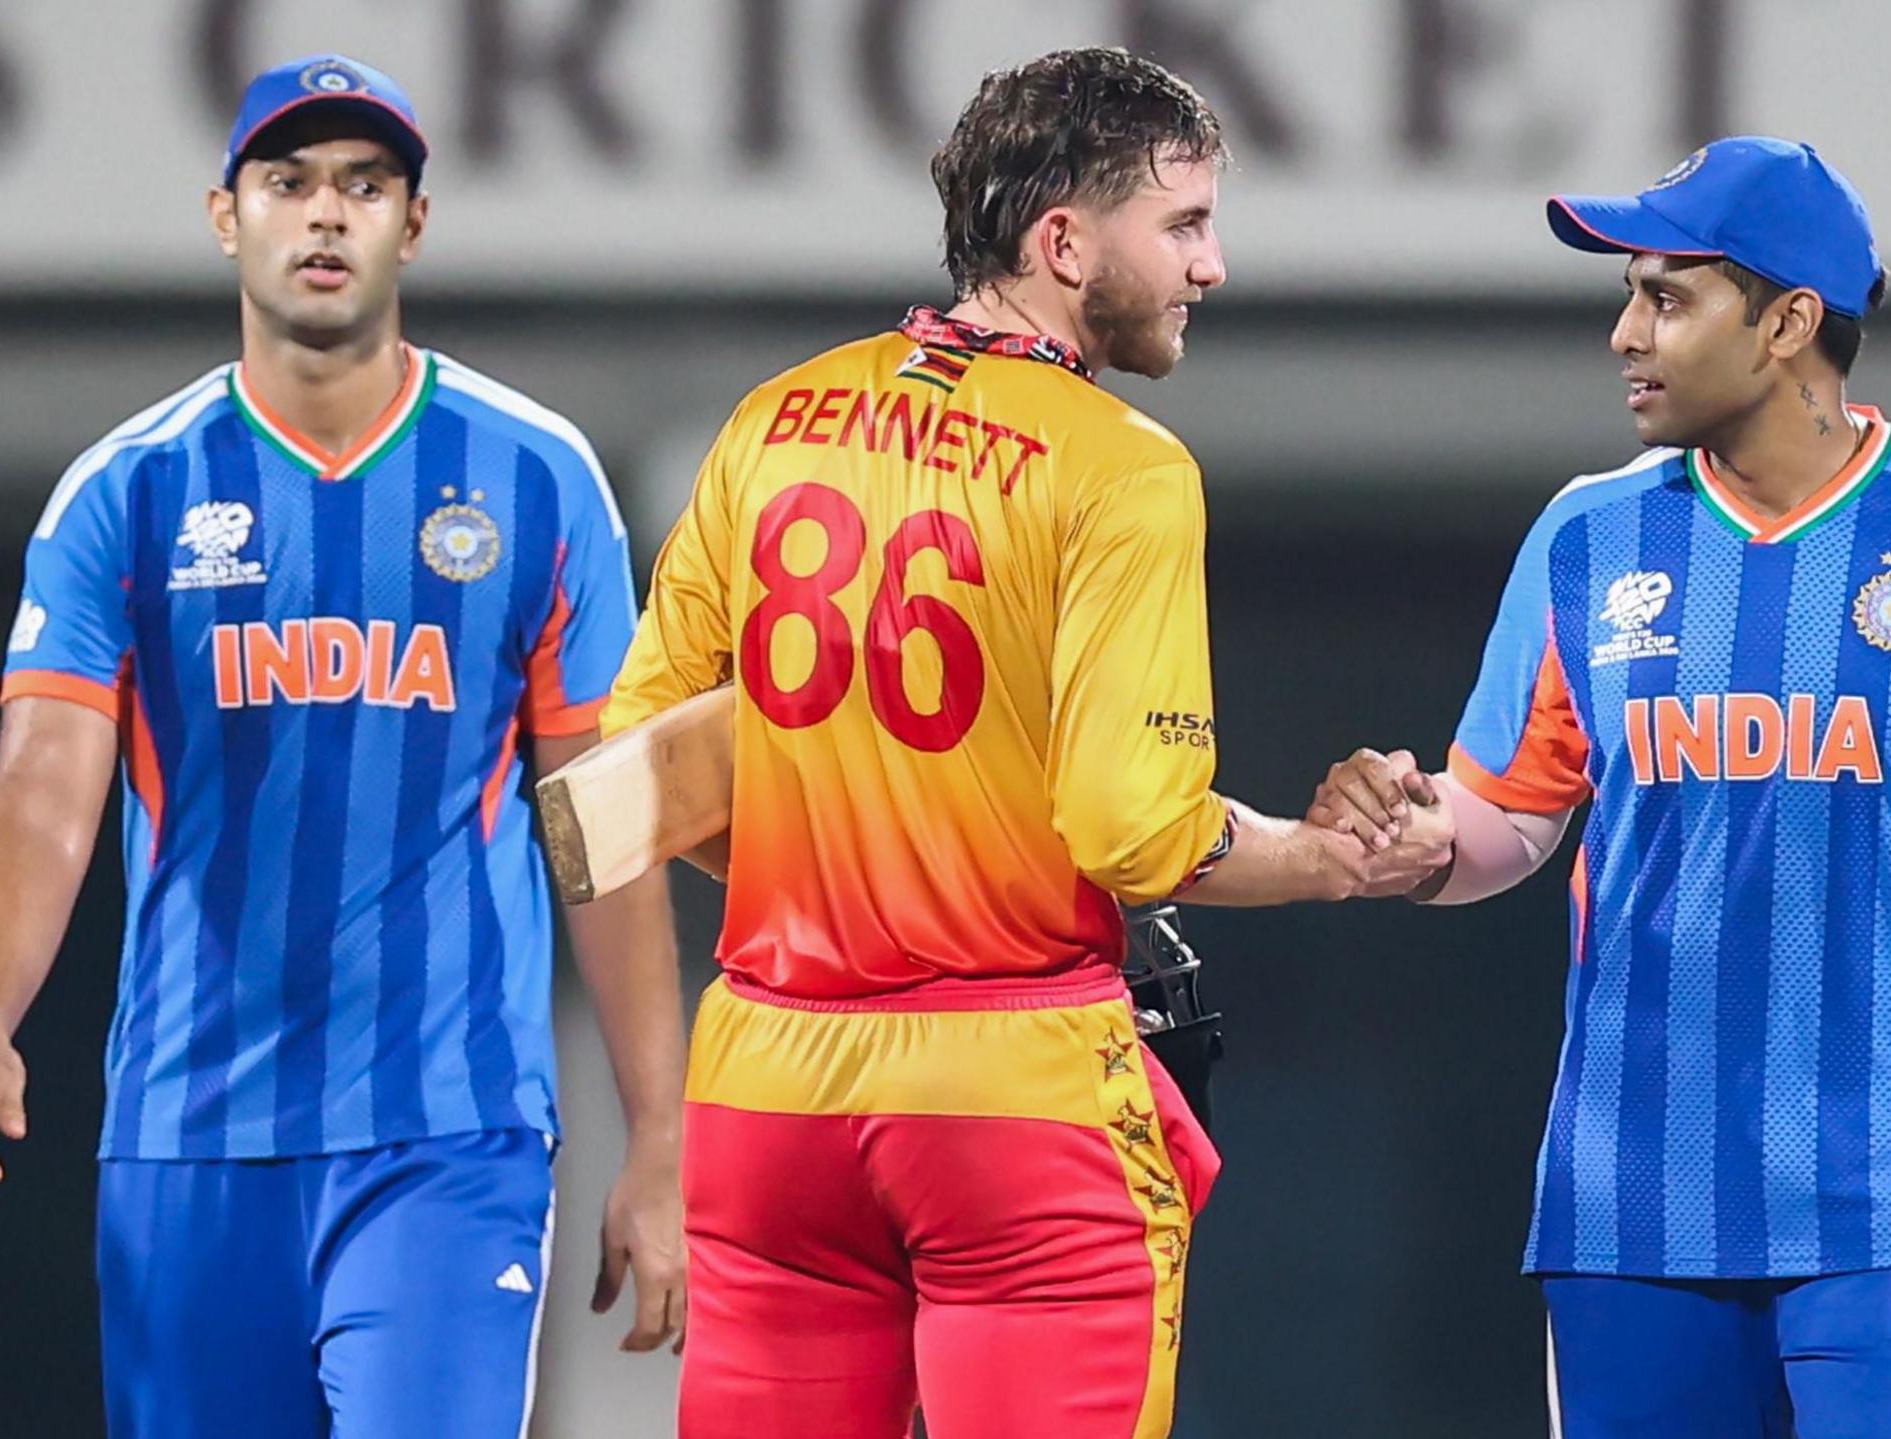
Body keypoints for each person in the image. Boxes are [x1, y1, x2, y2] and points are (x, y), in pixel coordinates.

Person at [603, 46, 1448, 1439]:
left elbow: (642, 772)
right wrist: (1326, 861)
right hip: (1011, 1095)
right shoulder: (1121, 466)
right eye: (1182, 225)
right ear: (1062, 241)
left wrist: (833, 883)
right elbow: (1133, 829)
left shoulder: (769, 423)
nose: (1213, 265)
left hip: (763, 1091)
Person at [1311, 136, 1891, 1438]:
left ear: (1787, 322)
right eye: (1629, 295)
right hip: (1630, 1216)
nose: (1624, 334)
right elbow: (1506, 826)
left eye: (1666, 296)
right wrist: (1410, 837)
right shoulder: (1588, 538)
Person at [0, 54, 689, 1438]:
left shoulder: (536, 475)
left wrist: (662, 1138)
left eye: (364, 185)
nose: (325, 216)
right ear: (228, 217)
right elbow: (40, 798)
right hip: (190, 1135)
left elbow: (603, 822)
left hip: (449, 1137)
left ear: (414, 223)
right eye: (290, 184)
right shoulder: (130, 491)